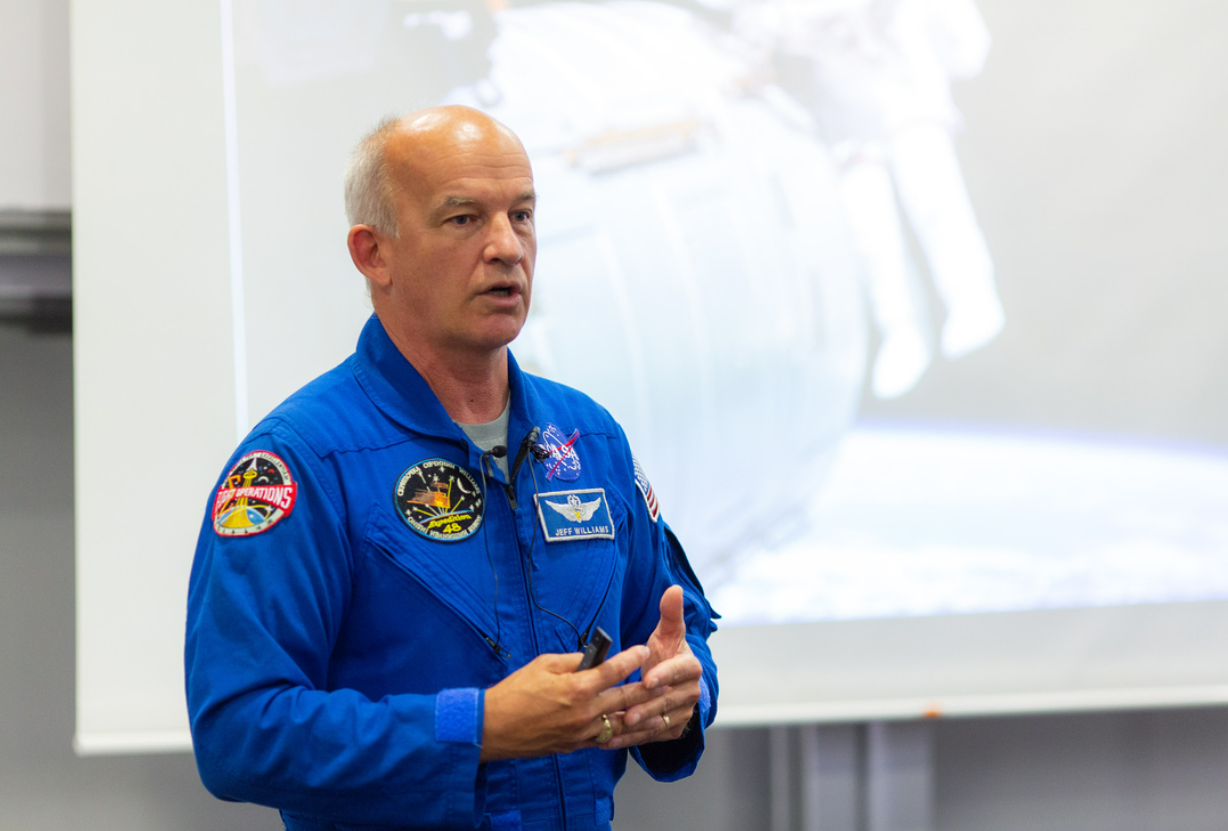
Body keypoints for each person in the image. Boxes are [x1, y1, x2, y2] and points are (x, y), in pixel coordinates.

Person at [184, 105, 719, 831]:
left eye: (522, 215)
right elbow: (239, 731)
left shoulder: (589, 438)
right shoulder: (301, 461)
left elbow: (674, 636)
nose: (506, 246)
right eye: (464, 219)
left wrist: (680, 692)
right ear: (374, 253)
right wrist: (479, 726)